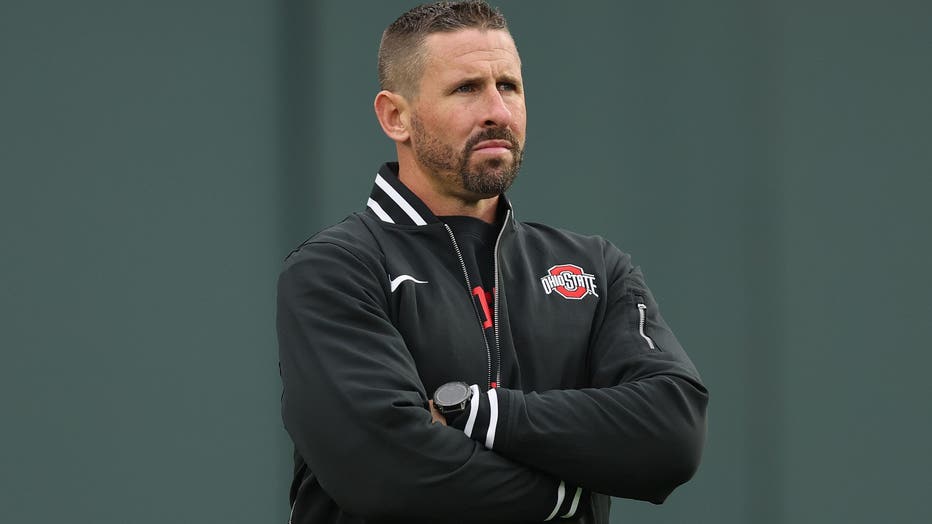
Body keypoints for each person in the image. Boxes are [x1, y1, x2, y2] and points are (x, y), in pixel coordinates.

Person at [276, 2, 708, 522]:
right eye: (466, 89)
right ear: (396, 116)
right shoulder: (335, 270)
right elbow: (386, 473)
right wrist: (566, 496)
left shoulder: (594, 267)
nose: (497, 112)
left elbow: (671, 434)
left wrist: (475, 413)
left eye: (509, 86)